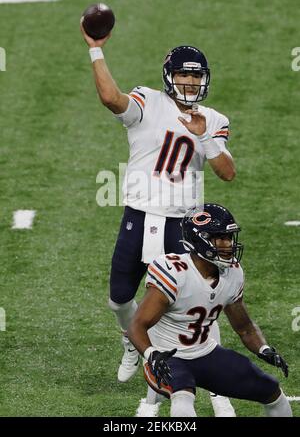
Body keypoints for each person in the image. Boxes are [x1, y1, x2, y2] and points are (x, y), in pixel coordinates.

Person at [80, 23, 236, 415]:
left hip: (183, 224)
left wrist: (203, 137)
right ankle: (133, 342)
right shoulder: (148, 101)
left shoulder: (214, 119)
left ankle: (217, 391)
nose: (189, 81)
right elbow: (111, 99)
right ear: (169, 76)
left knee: (194, 302)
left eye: (196, 74)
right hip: (139, 214)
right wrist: (96, 50)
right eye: (183, 74)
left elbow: (227, 172)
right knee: (119, 299)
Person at [128, 203, 292, 417]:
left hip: (205, 353)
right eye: (220, 238)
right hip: (167, 357)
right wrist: (152, 354)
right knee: (183, 399)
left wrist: (264, 349)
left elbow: (244, 327)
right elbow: (136, 325)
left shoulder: (233, 273)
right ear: (200, 239)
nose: (228, 244)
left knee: (271, 391)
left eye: (229, 237)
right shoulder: (175, 273)